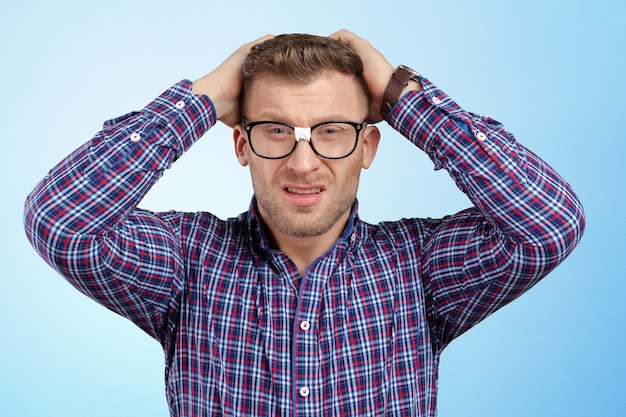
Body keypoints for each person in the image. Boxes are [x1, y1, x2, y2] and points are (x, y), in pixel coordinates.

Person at [23, 30, 585, 416]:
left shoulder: (419, 266)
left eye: (331, 130)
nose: (303, 161)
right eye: (276, 130)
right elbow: (60, 220)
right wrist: (205, 97)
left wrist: (403, 97)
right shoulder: (185, 258)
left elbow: (549, 224)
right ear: (241, 143)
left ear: (369, 146)